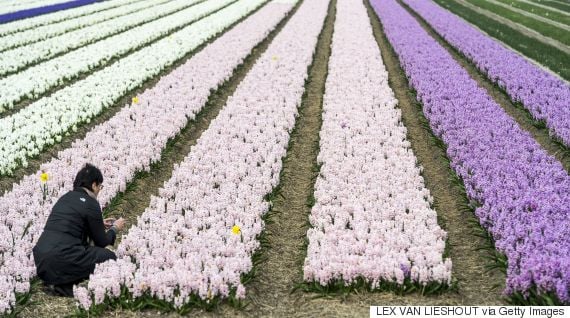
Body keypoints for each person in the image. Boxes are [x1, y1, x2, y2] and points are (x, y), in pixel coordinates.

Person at [32, 163, 125, 297]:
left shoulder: (64, 198)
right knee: (109, 257)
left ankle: (57, 282)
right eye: (100, 187)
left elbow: (70, 224)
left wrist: (98, 223)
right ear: (94, 185)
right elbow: (102, 242)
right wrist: (115, 228)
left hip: (41, 260)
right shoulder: (91, 203)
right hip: (63, 258)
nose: (99, 190)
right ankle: (63, 285)